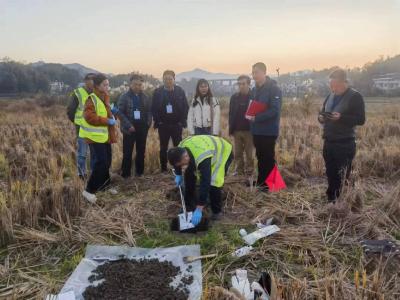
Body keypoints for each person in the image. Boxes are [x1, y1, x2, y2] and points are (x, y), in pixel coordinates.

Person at [318, 68, 365, 203]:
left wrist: (341, 117)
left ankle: (341, 202)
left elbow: (361, 119)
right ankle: (331, 197)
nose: (333, 88)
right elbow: (322, 113)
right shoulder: (330, 96)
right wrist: (321, 118)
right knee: (330, 171)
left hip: (344, 143)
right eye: (331, 85)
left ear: (345, 82)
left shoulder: (355, 97)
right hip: (328, 140)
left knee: (342, 174)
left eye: (336, 85)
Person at [167, 135, 233, 225]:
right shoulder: (180, 148)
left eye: (182, 163)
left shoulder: (202, 157)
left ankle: (216, 211)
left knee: (214, 182)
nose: (186, 159)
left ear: (185, 155)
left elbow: (205, 182)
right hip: (202, 149)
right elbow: (176, 163)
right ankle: (189, 207)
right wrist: (178, 174)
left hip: (222, 152)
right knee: (189, 177)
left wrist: (199, 208)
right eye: (180, 165)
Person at [79, 73, 118, 203]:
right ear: (97, 86)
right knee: (101, 162)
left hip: (104, 136)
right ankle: (88, 191)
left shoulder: (104, 97)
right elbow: (89, 117)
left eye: (108, 84)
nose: (108, 86)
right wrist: (107, 120)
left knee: (107, 162)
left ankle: (105, 186)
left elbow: (104, 113)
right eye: (105, 84)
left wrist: (112, 115)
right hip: (95, 137)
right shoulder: (92, 99)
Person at [250, 62, 282, 190]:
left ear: (264, 72)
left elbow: (275, 110)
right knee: (260, 157)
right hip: (256, 130)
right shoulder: (254, 90)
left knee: (268, 158)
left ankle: (274, 186)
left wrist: (257, 117)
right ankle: (262, 183)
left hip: (268, 130)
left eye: (256, 72)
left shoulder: (274, 89)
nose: (254, 75)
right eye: (252, 73)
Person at [152, 70, 189, 172]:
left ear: (174, 79)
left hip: (177, 124)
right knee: (163, 147)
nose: (168, 81)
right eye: (166, 79)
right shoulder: (158, 92)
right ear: (163, 80)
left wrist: (182, 121)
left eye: (170, 79)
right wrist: (158, 121)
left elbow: (186, 107)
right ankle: (163, 168)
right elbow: (153, 108)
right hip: (163, 125)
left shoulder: (179, 91)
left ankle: (178, 168)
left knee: (178, 147)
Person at [117, 74, 152, 178]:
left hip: (142, 127)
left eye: (140, 84)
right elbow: (120, 113)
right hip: (129, 129)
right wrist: (128, 125)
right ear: (130, 84)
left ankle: (139, 173)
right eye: (135, 84)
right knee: (127, 152)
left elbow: (149, 111)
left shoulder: (145, 97)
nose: (137, 86)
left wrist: (148, 123)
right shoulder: (124, 96)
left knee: (141, 151)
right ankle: (125, 175)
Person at [67, 73, 95, 179]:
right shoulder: (78, 93)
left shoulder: (97, 93)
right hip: (82, 128)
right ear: (86, 81)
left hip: (95, 129)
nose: (92, 82)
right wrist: (77, 122)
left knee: (93, 153)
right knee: (82, 153)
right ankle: (81, 174)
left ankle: (92, 173)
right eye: (90, 79)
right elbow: (70, 110)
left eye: (94, 79)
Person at [229, 75, 254, 176]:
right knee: (238, 153)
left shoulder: (254, 96)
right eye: (239, 84)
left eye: (243, 84)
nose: (241, 86)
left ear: (248, 84)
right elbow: (231, 114)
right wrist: (231, 129)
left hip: (249, 130)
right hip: (237, 130)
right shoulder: (234, 97)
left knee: (249, 154)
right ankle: (239, 172)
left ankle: (249, 172)